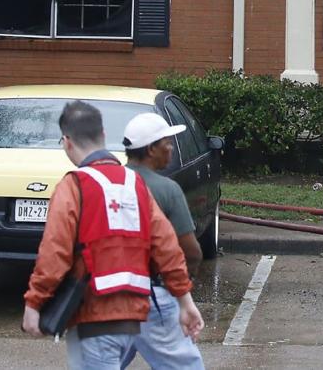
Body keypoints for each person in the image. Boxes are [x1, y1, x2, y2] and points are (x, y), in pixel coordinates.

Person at [21, 100, 204, 368]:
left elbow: (54, 253)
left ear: (67, 142)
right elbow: (167, 248)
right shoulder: (135, 184)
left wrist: (34, 303)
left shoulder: (73, 187)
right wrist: (185, 302)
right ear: (104, 136)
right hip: (136, 312)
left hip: (94, 316)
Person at [119, 112, 207, 370]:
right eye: (167, 143)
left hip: (109, 296)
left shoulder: (109, 184)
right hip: (152, 296)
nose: (171, 149)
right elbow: (191, 252)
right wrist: (181, 294)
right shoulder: (167, 189)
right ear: (150, 149)